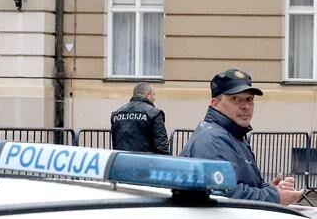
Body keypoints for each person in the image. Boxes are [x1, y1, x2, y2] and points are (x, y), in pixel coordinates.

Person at [183, 69, 305, 205]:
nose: (245, 106)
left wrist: (271, 189)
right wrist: (275, 197)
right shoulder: (211, 139)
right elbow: (224, 194)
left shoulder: (234, 134)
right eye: (235, 99)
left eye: (249, 99)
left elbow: (240, 185)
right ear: (215, 103)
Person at [109, 82, 170, 155]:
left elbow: (115, 142)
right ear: (147, 95)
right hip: (145, 162)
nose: (154, 99)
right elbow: (161, 145)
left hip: (121, 160)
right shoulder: (154, 113)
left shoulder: (117, 114)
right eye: (153, 94)